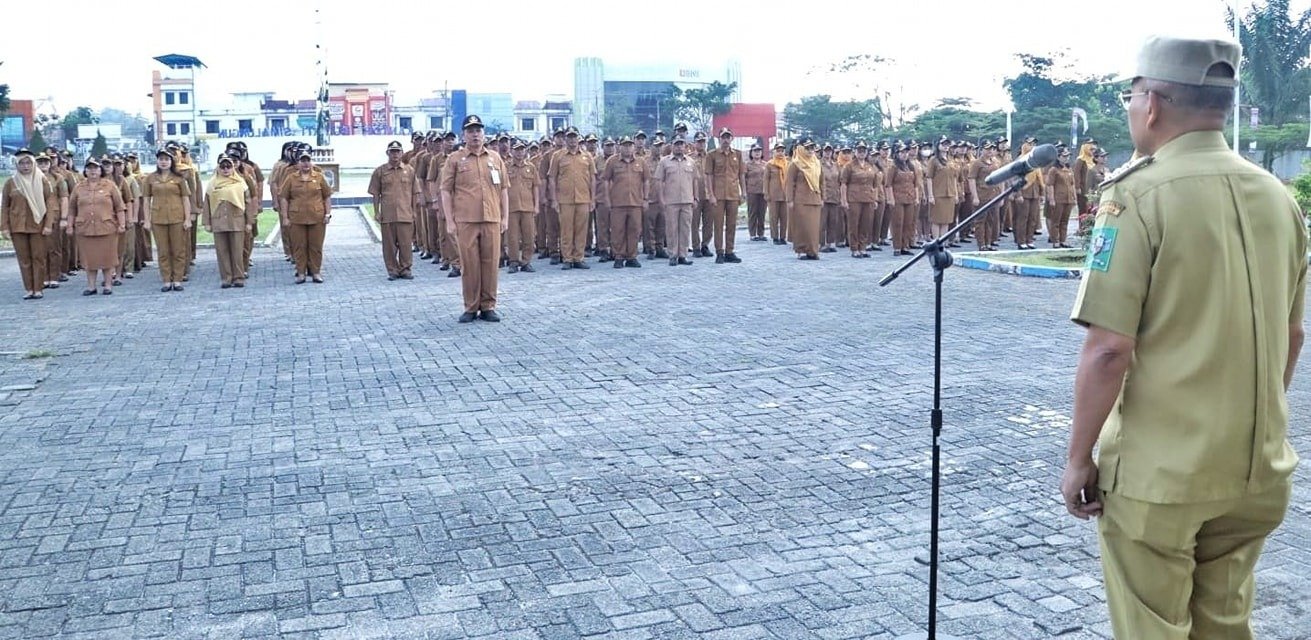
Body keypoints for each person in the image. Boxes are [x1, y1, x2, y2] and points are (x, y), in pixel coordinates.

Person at [1061, 36, 1306, 640]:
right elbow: (1293, 336)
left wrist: (1076, 459)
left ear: (1152, 104)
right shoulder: (1280, 198)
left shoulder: (1133, 197)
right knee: (1224, 626)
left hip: (1163, 477)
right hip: (1255, 474)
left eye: (1130, 96)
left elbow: (1109, 349)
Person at [439, 114, 509, 323]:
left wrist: (505, 217)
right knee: (469, 265)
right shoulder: (454, 159)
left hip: (491, 219)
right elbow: (445, 191)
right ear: (464, 135)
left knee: (490, 263)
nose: (475, 135)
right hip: (466, 220)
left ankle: (488, 305)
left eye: (478, 130)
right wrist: (450, 221)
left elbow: (504, 189)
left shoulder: (495, 158)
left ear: (484, 134)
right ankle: (470, 306)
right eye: (470, 131)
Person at [1, 149, 59, 299]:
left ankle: (38, 288)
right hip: (17, 226)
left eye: (28, 163)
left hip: (38, 226)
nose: (25, 166)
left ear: (33, 164)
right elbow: (5, 206)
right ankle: (29, 288)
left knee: (38, 257)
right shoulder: (11, 182)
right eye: (22, 163)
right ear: (17, 165)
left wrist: (48, 224)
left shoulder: (42, 181)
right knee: (24, 259)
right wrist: (5, 227)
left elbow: (50, 203)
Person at [66, 158, 126, 295]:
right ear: (85, 171)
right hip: (85, 228)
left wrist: (122, 224)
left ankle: (108, 285)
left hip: (106, 227)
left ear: (101, 171)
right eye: (90, 168)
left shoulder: (109, 186)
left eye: (96, 168)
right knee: (89, 259)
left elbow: (120, 207)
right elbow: (71, 209)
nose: (93, 171)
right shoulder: (78, 187)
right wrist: (69, 225)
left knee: (108, 257)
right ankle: (91, 286)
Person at [278, 148, 333, 284]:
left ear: (311, 162)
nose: (305, 164)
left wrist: (327, 213)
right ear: (298, 163)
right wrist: (285, 217)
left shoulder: (319, 177)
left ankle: (316, 272)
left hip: (317, 217)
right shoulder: (291, 178)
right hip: (297, 218)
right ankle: (301, 273)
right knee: (299, 246)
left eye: (308, 160)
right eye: (303, 161)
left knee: (316, 246)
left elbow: (327, 196)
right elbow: (284, 197)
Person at [142, 149, 194, 292]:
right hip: (158, 219)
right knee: (163, 251)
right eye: (161, 159)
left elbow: (185, 199)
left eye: (166, 159)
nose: (163, 162)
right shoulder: (151, 178)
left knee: (178, 250)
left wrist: (188, 218)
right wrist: (146, 220)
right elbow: (146, 200)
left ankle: (177, 279)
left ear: (171, 162)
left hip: (177, 217)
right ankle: (166, 280)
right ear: (157, 161)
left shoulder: (179, 178)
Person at [368, 140, 421, 280]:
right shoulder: (380, 171)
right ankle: (392, 270)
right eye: (392, 151)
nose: (395, 154)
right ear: (387, 153)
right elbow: (375, 193)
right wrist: (376, 212)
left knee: (405, 244)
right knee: (389, 246)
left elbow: (415, 192)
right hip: (388, 214)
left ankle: (405, 269)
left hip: (405, 214)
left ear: (402, 153)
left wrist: (414, 211)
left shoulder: (409, 170)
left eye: (398, 151)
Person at [203, 154, 255, 288]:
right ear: (218, 168)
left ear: (233, 168)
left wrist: (249, 222)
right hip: (218, 221)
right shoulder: (212, 184)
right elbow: (207, 204)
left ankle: (238, 277)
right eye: (222, 166)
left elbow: (248, 203)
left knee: (237, 250)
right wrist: (207, 222)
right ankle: (226, 277)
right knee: (222, 251)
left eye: (228, 166)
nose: (225, 169)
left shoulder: (240, 183)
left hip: (237, 221)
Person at [548, 127, 596, 270]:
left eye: (574, 137)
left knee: (582, 230)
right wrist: (554, 199)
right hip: (565, 199)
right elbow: (552, 178)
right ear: (565, 139)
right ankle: (567, 258)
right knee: (566, 230)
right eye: (569, 137)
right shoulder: (558, 156)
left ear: (578, 138)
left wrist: (592, 199)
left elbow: (593, 178)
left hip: (583, 198)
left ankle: (578, 257)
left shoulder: (587, 156)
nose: (572, 140)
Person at [603, 136, 648, 269]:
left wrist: (645, 198)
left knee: (634, 230)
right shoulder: (612, 161)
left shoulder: (641, 162)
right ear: (619, 146)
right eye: (624, 145)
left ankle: (631, 256)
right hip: (618, 203)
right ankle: (618, 256)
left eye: (629, 145)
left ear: (633, 147)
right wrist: (606, 198)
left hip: (636, 202)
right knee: (618, 230)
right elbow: (606, 180)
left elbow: (646, 181)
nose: (627, 148)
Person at [653, 137, 698, 266]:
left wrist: (695, 197)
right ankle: (673, 255)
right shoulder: (664, 162)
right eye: (676, 144)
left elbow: (695, 180)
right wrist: (661, 199)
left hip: (687, 200)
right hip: (671, 201)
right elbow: (658, 181)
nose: (679, 147)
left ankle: (683, 255)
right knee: (672, 229)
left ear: (685, 146)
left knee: (685, 229)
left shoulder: (691, 162)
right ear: (672, 146)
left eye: (681, 144)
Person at [704, 127, 745, 264]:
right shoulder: (712, 155)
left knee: (732, 224)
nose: (726, 140)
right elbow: (709, 176)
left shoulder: (737, 154)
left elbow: (741, 175)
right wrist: (710, 194)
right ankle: (719, 252)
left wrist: (743, 192)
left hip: (733, 194)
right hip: (718, 194)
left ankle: (729, 251)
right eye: (723, 137)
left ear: (732, 138)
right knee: (718, 225)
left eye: (728, 137)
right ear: (719, 139)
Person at [839, 141, 882, 258]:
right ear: (855, 152)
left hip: (868, 198)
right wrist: (844, 200)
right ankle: (854, 248)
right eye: (859, 151)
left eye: (864, 151)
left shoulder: (870, 166)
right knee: (854, 224)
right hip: (854, 198)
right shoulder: (849, 166)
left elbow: (875, 185)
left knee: (865, 223)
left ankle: (863, 247)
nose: (861, 153)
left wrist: (875, 199)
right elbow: (843, 184)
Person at [505, 139, 540, 273]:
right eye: (516, 150)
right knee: (512, 237)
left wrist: (536, 205)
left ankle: (526, 261)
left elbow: (536, 187)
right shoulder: (506, 167)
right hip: (511, 207)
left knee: (529, 236)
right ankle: (513, 261)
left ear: (525, 151)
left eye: (521, 149)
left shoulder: (530, 167)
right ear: (512, 151)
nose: (519, 152)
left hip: (527, 206)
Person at [785, 139, 823, 260]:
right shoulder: (795, 164)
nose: (810, 150)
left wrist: (823, 197)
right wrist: (790, 200)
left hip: (815, 198)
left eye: (812, 148)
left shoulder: (817, 163)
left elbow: (822, 182)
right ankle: (801, 250)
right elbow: (789, 183)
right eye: (807, 148)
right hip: (800, 199)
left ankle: (813, 251)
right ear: (801, 149)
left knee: (813, 227)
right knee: (802, 226)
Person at [884, 144, 920, 256]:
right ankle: (897, 247)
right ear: (897, 154)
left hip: (910, 197)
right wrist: (891, 198)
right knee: (898, 223)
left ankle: (906, 245)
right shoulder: (893, 167)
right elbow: (888, 184)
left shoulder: (911, 166)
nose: (905, 155)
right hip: (897, 198)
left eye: (906, 152)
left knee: (908, 223)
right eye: (902, 152)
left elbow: (915, 184)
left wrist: (917, 197)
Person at [925, 139, 960, 246]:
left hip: (950, 194)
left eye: (947, 145)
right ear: (938, 145)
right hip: (937, 194)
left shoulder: (951, 160)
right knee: (936, 220)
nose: (946, 146)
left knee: (946, 220)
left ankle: (943, 242)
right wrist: (930, 195)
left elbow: (954, 178)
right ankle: (936, 241)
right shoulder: (933, 160)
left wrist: (956, 194)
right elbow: (929, 178)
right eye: (943, 144)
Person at [1044, 146, 1077, 248]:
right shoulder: (1053, 170)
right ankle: (1056, 240)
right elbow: (1050, 185)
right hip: (1058, 198)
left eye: (1068, 156)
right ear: (1058, 157)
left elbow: (1073, 184)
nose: (1067, 158)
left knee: (1065, 221)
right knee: (1056, 221)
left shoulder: (1069, 169)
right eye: (1064, 156)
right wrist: (1051, 199)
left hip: (1068, 198)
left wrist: (1074, 197)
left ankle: (1063, 240)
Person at [766, 142, 789, 245]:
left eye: (782, 151)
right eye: (778, 151)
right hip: (773, 194)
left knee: (784, 217)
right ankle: (775, 237)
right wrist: (766, 193)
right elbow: (766, 180)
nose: (780, 153)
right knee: (773, 217)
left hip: (785, 194)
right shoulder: (770, 164)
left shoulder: (788, 164)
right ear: (774, 151)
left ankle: (783, 237)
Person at [744, 144, 768, 241]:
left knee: (762, 212)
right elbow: (744, 179)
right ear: (751, 153)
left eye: (759, 150)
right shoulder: (747, 165)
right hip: (752, 191)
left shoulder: (765, 164)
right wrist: (744, 192)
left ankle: (761, 233)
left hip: (763, 191)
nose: (757, 152)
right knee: (752, 212)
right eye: (755, 151)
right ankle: (753, 234)